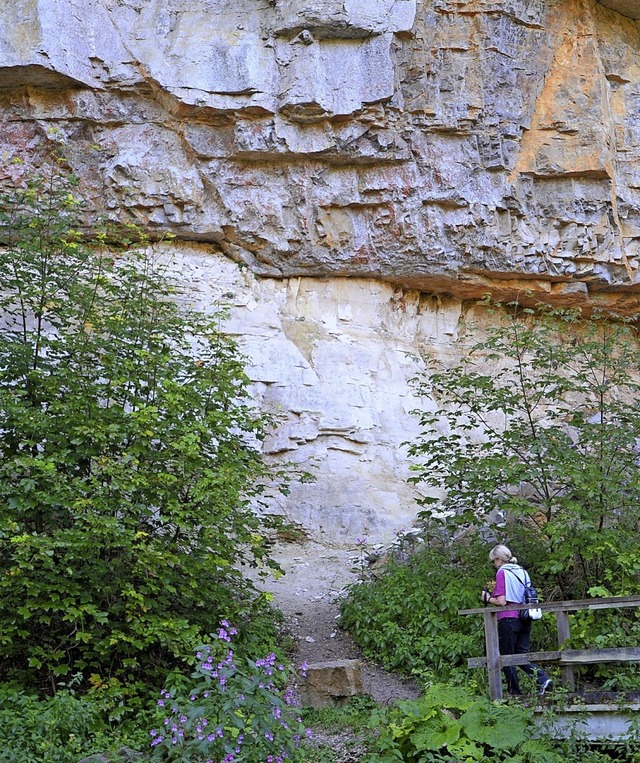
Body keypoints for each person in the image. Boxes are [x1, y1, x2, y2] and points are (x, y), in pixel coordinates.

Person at [481, 544, 552, 696]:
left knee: (507, 656)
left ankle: (514, 693)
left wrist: (487, 597)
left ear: (499, 559)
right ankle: (543, 679)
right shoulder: (522, 571)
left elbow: (502, 601)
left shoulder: (502, 573)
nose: (493, 565)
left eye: (493, 561)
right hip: (525, 616)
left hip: (509, 618)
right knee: (521, 654)